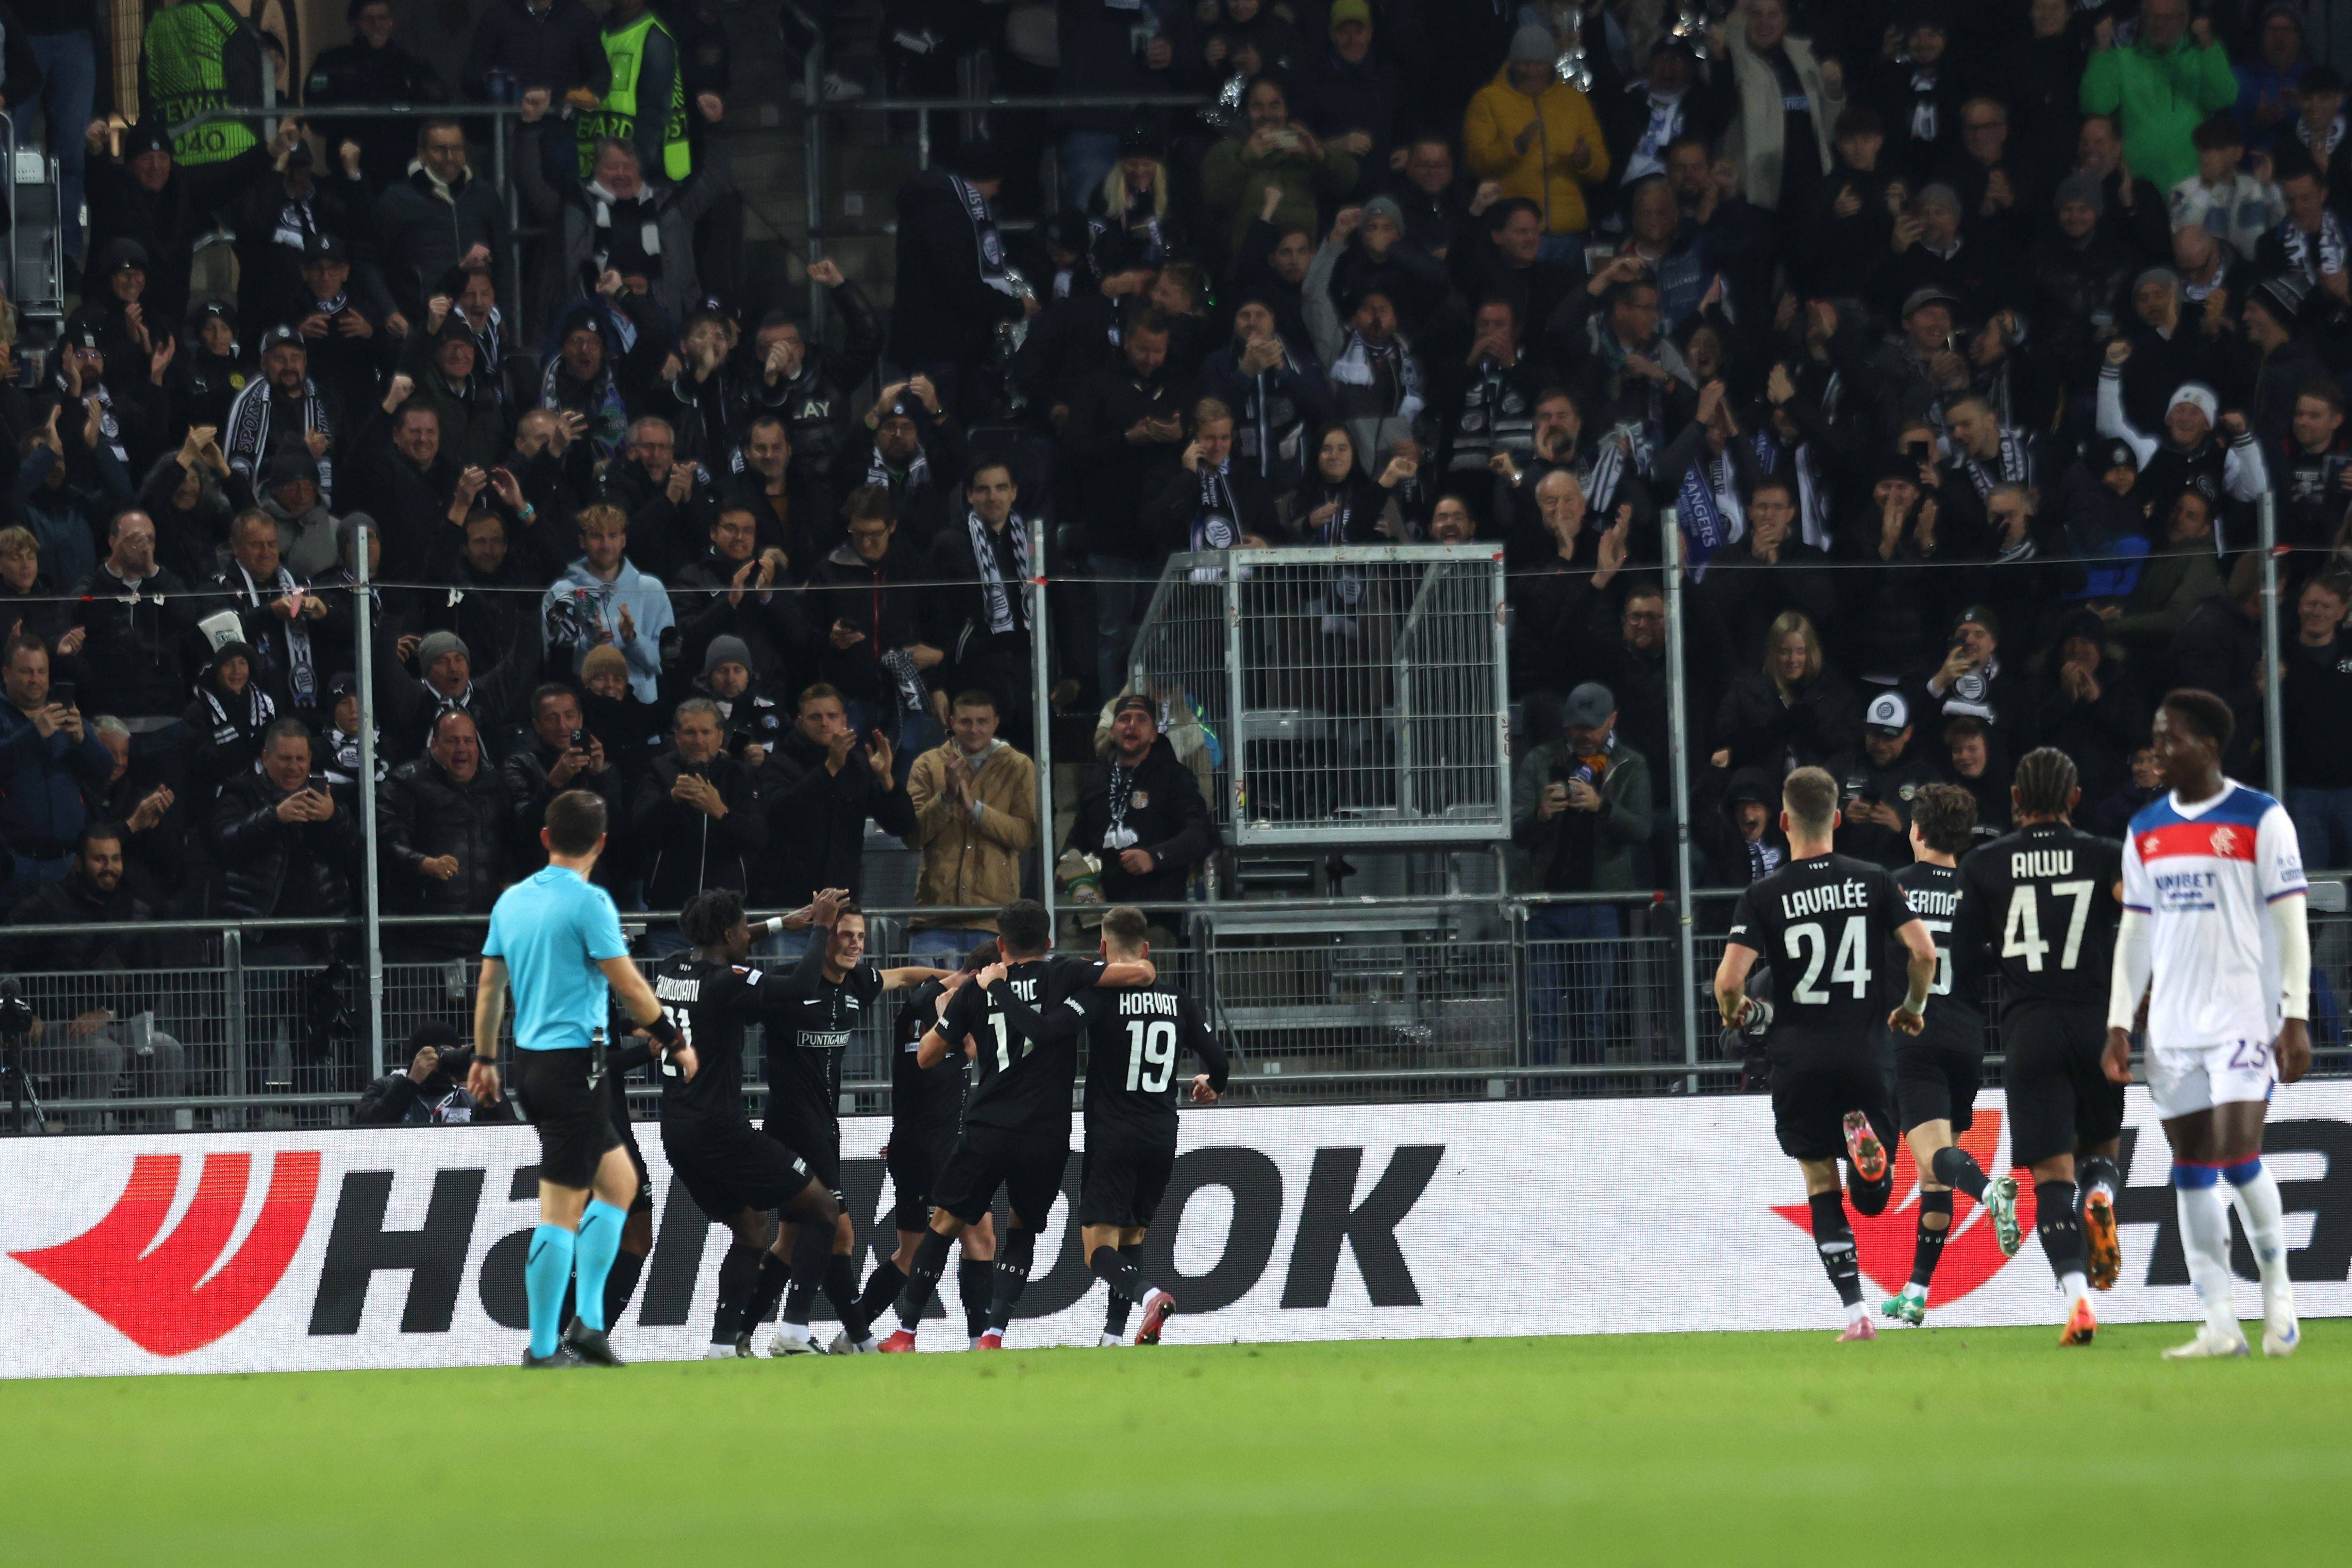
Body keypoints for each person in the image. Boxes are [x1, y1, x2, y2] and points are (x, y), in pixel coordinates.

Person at [2105, 691, 2309, 1360]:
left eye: (2170, 738)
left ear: (2208, 746)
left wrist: (2297, 1012)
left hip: (2244, 1017)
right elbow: (2135, 932)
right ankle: (2219, 1319)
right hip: (2172, 1029)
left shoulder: (2260, 816)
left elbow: (2291, 923)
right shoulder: (2145, 829)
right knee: (2191, 1166)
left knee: (2238, 1155)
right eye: (2155, 738)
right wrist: (2118, 1021)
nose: (2157, 750)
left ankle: (2278, 1291)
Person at [468, 788, 694, 1368]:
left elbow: (491, 987)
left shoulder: (511, 902)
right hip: (572, 1066)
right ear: (601, 842)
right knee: (560, 1211)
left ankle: (589, 1325)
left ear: (546, 838)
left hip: (533, 1063)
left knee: (619, 1185)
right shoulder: (590, 902)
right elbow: (630, 984)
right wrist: (673, 1038)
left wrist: (485, 1059)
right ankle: (543, 1348)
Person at [1714, 766, 1939, 1341]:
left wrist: (1740, 1012)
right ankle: (1872, 1162)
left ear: (1784, 821)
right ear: (1837, 818)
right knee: (1875, 1199)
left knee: (1820, 1181)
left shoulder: (1763, 893)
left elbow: (1728, 981)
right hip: (1866, 1051)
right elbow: (1923, 951)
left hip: (1799, 1056)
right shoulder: (1875, 880)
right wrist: (1913, 1004)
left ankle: (1855, 1313)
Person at [875, 899, 1153, 1352]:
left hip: (989, 1127)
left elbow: (926, 1056)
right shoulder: (1063, 973)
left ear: (1001, 944)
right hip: (1046, 1134)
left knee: (944, 1223)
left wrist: (952, 1010)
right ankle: (993, 1335)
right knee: (1021, 1230)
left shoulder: (978, 988)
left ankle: (905, 1333)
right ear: (1047, 942)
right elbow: (1142, 974)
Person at [985, 904, 1228, 1346]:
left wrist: (1001, 990)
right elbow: (1219, 1061)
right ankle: (1114, 1336)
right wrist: (1214, 1085)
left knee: (1098, 1248)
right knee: (1133, 1233)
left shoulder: (1101, 996)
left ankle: (1150, 1297)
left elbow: (1044, 1030)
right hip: (1161, 1133)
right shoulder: (1178, 1000)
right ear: (1147, 948)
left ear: (1101, 947)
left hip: (1113, 1133)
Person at [756, 892, 949, 1355]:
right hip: (793, 1125)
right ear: (823, 937)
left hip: (826, 1125)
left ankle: (737, 1334)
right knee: (838, 1231)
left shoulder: (859, 981)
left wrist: (958, 979)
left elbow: (903, 976)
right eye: (845, 935)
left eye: (860, 936)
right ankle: (836, 1334)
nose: (855, 944)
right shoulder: (787, 985)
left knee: (789, 1240)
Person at [1873, 783, 2020, 1330]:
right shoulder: (1977, 890)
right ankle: (1915, 1291)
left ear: (1916, 828)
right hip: (1966, 1038)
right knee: (1936, 1171)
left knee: (1935, 1158)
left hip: (1914, 1036)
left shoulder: (1893, 887)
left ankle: (1990, 1191)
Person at [849, 944, 998, 1349]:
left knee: (913, 1252)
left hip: (926, 1142)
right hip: (936, 1147)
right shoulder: (930, 1007)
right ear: (980, 975)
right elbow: (922, 1070)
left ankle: (854, 1333)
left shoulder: (942, 994)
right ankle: (977, 1341)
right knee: (978, 1240)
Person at [1511, 681, 1651, 1074]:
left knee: (1592, 1015)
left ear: (1612, 721)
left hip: (1598, 906)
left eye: (1591, 727)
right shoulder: (1540, 760)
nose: (1583, 735)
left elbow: (1641, 830)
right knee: (1542, 1015)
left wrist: (1602, 807)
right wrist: (1540, 815)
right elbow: (1517, 833)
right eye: (1575, 727)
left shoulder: (1630, 765)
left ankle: (1591, 1107)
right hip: (1545, 906)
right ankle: (1539, 1103)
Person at [904, 690, 1038, 966]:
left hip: (994, 922)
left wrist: (975, 809)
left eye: (982, 721)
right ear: (952, 722)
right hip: (934, 920)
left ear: (996, 723)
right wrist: (946, 799)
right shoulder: (928, 765)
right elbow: (912, 837)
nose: (974, 730)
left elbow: (1025, 836)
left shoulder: (1018, 766)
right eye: (966, 722)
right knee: (929, 1007)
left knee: (992, 1008)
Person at [1064, 695, 1216, 915]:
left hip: (1152, 918)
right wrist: (1066, 865)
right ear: (1113, 733)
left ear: (1155, 734)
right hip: (1097, 918)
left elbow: (1200, 834)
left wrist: (1155, 857)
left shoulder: (1174, 777)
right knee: (1066, 950)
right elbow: (1077, 838)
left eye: (1142, 719)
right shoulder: (1097, 780)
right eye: (1124, 719)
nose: (1132, 726)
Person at [1462, 26, 1609, 249]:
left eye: (1539, 63)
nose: (1532, 71)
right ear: (1512, 63)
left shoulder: (1574, 102)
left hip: (1568, 233)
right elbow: (1477, 163)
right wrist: (1515, 148)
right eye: (1525, 63)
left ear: (1551, 64)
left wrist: (1585, 162)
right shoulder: (1488, 101)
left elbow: (1601, 170)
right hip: (1515, 234)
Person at [0, 634, 112, 912]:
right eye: (26, 672)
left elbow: (106, 771)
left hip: (66, 865)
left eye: (42, 671)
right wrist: (34, 734)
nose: (35, 679)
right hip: (13, 865)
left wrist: (81, 742)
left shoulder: (66, 715)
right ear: (6, 673)